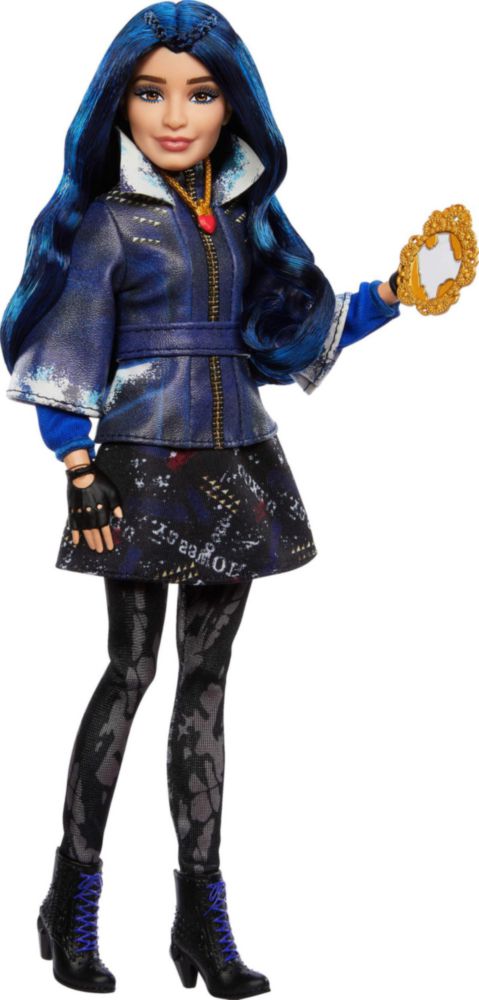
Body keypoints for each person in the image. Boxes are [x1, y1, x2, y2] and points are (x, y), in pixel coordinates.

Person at [0, 2, 400, 996]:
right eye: (151, 92)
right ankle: (72, 895)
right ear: (119, 102)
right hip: (136, 468)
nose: (175, 115)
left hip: (233, 467)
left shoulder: (245, 219)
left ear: (232, 106)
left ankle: (200, 914)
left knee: (207, 687)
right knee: (130, 671)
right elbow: (66, 351)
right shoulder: (107, 221)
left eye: (200, 93)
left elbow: (293, 336)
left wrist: (396, 292)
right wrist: (78, 469)